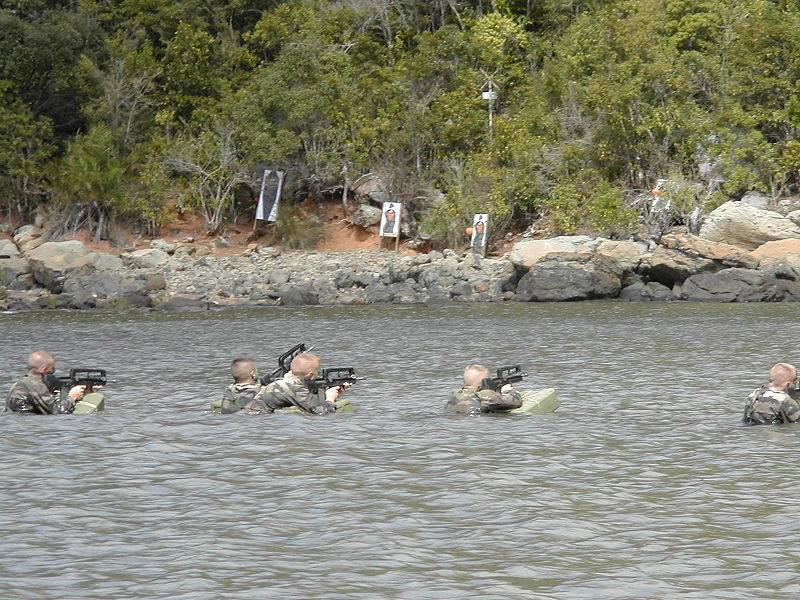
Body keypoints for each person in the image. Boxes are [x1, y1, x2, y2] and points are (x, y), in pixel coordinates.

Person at [240, 352, 342, 415]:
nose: (319, 375)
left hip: (253, 417)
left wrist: (334, 392)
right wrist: (330, 399)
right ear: (310, 375)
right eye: (318, 372)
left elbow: (312, 402)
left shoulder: (291, 380)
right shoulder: (294, 387)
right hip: (253, 418)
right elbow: (320, 412)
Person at [5, 351, 86, 415]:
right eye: (52, 369)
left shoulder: (23, 382)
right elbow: (60, 411)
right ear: (44, 369)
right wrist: (72, 397)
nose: (53, 372)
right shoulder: (36, 386)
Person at [446, 364, 522, 416]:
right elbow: (516, 402)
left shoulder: (457, 394)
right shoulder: (485, 396)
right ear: (483, 382)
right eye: (489, 379)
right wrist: (508, 391)